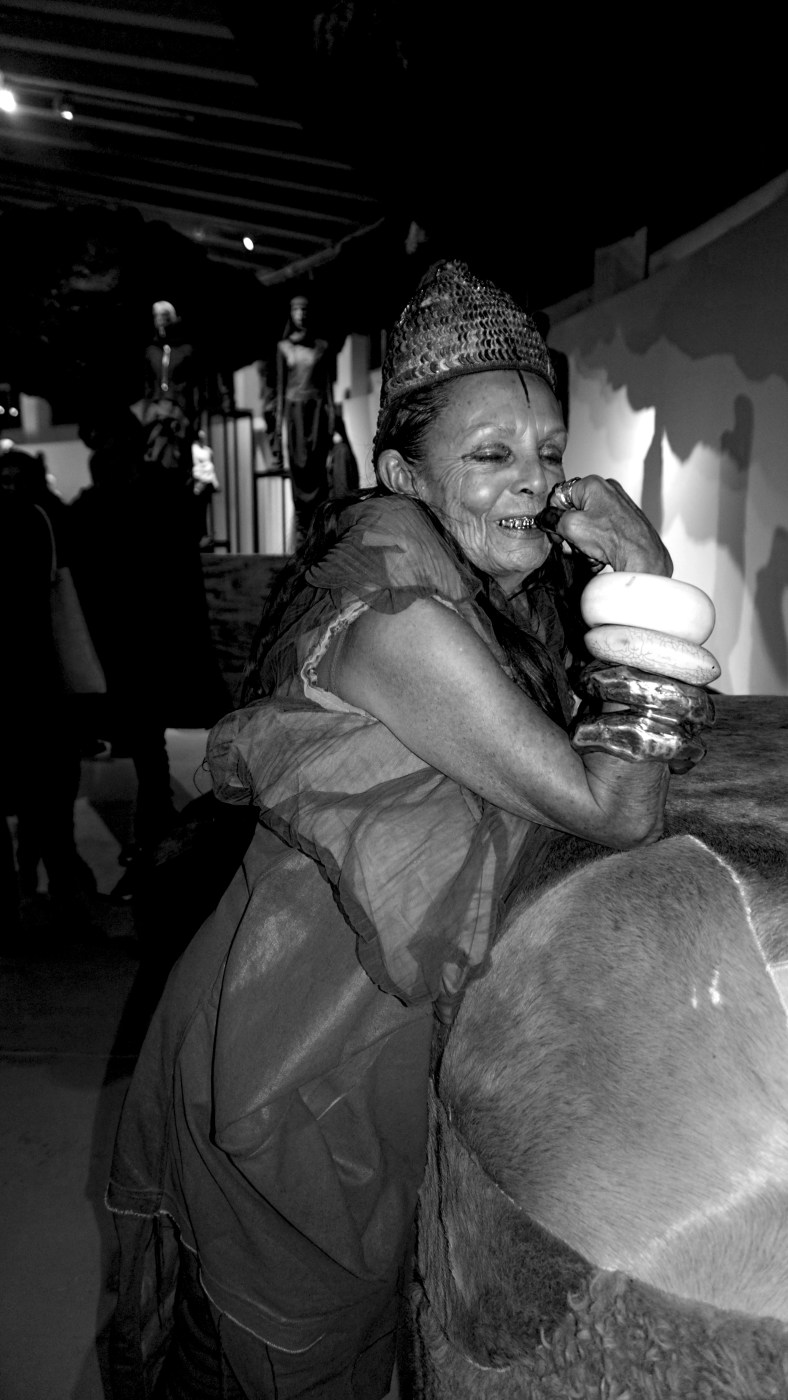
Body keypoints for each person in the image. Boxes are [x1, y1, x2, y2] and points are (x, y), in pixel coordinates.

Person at [106, 261, 709, 1399]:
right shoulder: (397, 618)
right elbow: (614, 804)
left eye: (547, 450)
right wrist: (646, 575)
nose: (535, 482)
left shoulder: (479, 592)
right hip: (292, 1055)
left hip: (366, 1041)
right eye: (490, 454)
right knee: (278, 1360)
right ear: (401, 474)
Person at [275, 293, 336, 546]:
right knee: (299, 469)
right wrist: (278, 432)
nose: (301, 314)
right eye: (296, 310)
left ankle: (317, 532)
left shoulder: (321, 347)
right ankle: (302, 532)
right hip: (295, 415)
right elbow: (280, 390)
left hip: (316, 413)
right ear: (291, 314)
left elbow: (328, 388)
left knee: (317, 468)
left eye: (305, 309)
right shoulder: (284, 347)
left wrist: (332, 420)